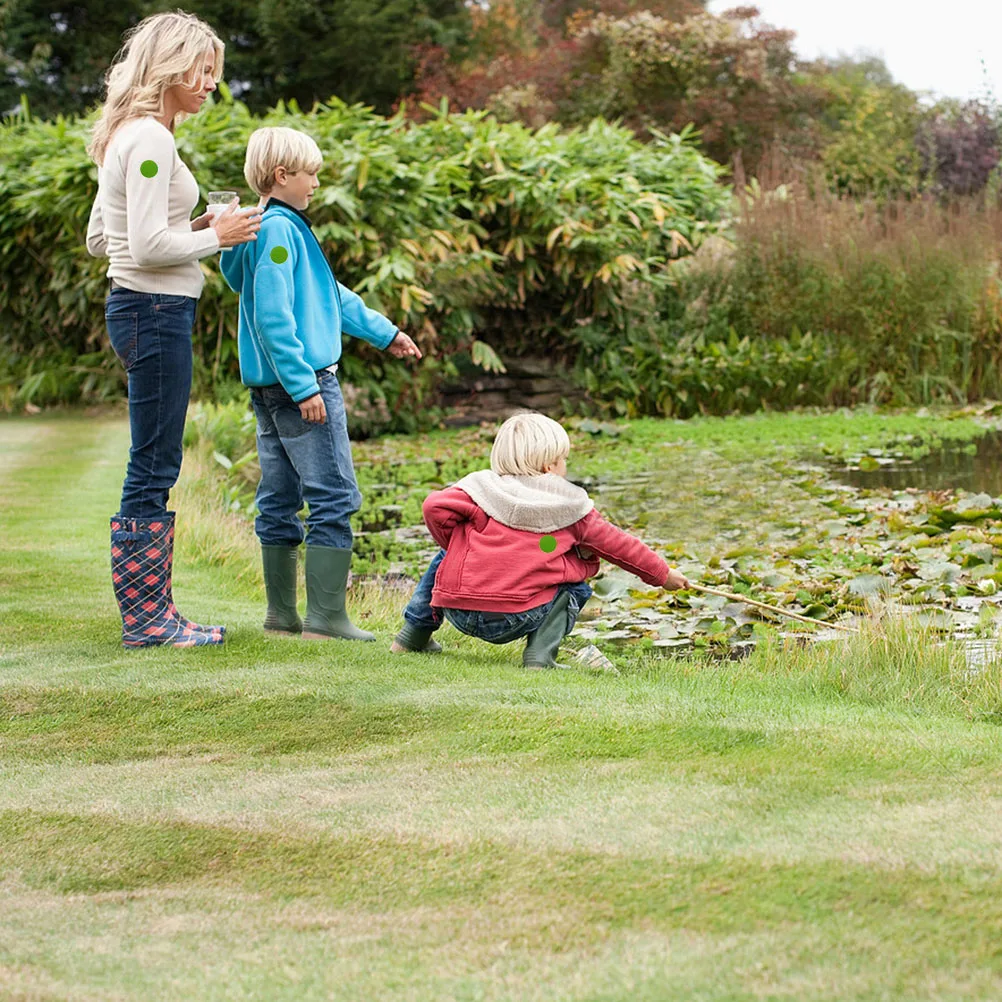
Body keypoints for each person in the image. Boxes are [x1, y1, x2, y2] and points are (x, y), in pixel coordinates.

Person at [85, 11, 261, 648]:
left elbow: (101, 236)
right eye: (202, 68)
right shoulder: (152, 140)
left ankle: (153, 616)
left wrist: (193, 227)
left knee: (152, 459)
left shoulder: (131, 135)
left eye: (216, 69)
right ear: (168, 67)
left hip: (140, 309)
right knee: (154, 463)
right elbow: (145, 246)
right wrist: (220, 235)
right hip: (153, 311)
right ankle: (148, 622)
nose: (212, 81)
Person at [220, 127, 423, 641]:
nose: (316, 182)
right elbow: (272, 315)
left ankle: (282, 617)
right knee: (334, 494)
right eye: (310, 173)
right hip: (301, 386)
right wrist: (304, 384)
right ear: (282, 175)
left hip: (269, 391)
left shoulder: (264, 227)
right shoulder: (282, 232)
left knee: (279, 496)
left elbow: (328, 295)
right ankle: (327, 618)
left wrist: (385, 333)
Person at [391, 412, 690, 668]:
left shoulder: (481, 489)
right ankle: (539, 656)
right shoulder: (569, 506)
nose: (565, 467)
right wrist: (663, 575)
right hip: (518, 616)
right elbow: (620, 546)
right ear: (550, 466)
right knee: (576, 584)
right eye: (564, 461)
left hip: (459, 611)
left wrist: (457, 546)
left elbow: (433, 507)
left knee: (450, 553)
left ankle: (412, 636)